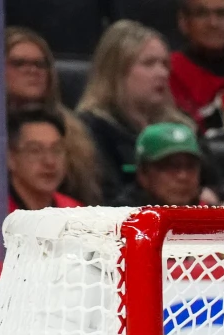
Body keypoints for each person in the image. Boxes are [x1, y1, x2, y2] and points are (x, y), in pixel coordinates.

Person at [0, 27, 101, 205]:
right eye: (19, 63)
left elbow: (88, 197)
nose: (32, 70)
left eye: (40, 64)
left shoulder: (71, 130)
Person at [78, 20, 194, 204]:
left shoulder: (181, 126)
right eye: (149, 63)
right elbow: (103, 197)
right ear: (116, 71)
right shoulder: (90, 129)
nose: (162, 73)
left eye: (165, 64)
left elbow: (217, 183)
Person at [0, 109, 80, 261]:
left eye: (57, 150)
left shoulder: (76, 213)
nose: (49, 161)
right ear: (10, 158)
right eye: (35, 151)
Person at [168, 0, 224, 135]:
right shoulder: (165, 70)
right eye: (201, 14)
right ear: (184, 22)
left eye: (222, 14)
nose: (213, 24)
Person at [114, 122, 206, 206]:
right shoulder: (121, 216)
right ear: (143, 174)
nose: (183, 176)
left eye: (191, 166)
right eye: (171, 166)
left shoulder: (208, 213)